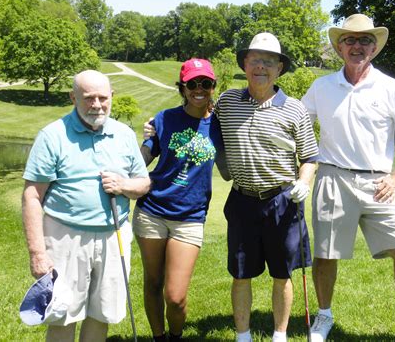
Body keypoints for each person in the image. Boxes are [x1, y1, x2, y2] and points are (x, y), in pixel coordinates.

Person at [301, 14, 395, 342]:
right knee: (325, 254)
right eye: (350, 40)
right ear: (339, 47)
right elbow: (298, 123)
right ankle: (324, 316)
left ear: (374, 47)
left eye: (364, 40)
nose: (357, 46)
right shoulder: (321, 87)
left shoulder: (392, 88)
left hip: (381, 184)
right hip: (333, 179)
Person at [21, 70, 151, 342]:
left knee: (102, 312)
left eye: (103, 98)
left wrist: (124, 186)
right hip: (64, 235)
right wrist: (37, 252)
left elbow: (143, 184)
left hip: (113, 234)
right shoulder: (53, 135)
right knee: (63, 312)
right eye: (88, 97)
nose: (96, 104)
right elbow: (32, 196)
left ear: (111, 97)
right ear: (73, 97)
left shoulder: (124, 135)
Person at [215, 32, 319, 342]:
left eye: (269, 62)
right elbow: (201, 121)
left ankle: (280, 334)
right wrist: (159, 124)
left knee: (281, 273)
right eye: (255, 60)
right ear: (245, 64)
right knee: (241, 273)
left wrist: (303, 182)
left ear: (279, 69)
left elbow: (310, 156)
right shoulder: (227, 101)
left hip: (282, 201)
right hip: (243, 200)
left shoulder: (295, 109)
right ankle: (243, 335)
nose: (261, 67)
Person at [133, 58, 229, 342]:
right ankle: (158, 337)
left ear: (213, 87)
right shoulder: (164, 119)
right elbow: (142, 160)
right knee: (152, 282)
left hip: (190, 217)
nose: (199, 89)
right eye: (192, 84)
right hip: (152, 211)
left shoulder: (220, 126)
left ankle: (175, 336)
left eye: (206, 83)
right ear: (183, 88)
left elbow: (227, 171)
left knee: (175, 296)